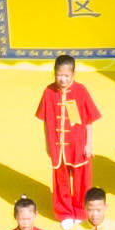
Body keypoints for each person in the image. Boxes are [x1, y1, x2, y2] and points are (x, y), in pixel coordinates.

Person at [33, 54, 102, 218]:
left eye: (66, 76)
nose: (62, 79)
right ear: (54, 73)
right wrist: (48, 144)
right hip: (58, 145)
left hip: (78, 144)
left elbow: (89, 120)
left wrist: (89, 143)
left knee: (81, 179)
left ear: (73, 74)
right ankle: (64, 212)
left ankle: (80, 211)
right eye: (59, 75)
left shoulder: (81, 90)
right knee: (60, 179)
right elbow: (45, 120)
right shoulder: (49, 92)